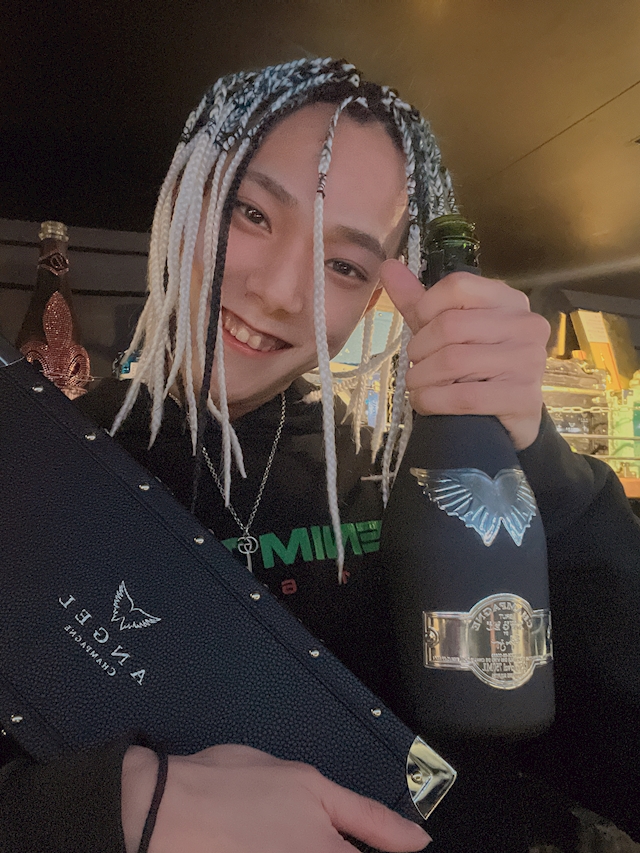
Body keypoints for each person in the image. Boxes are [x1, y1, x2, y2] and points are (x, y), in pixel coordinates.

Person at [1, 57, 639, 853]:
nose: (278, 290)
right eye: (252, 213)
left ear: (371, 300)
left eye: (342, 266)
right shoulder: (33, 469)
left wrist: (539, 463)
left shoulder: (407, 485)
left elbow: (617, 757)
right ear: (184, 196)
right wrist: (108, 809)